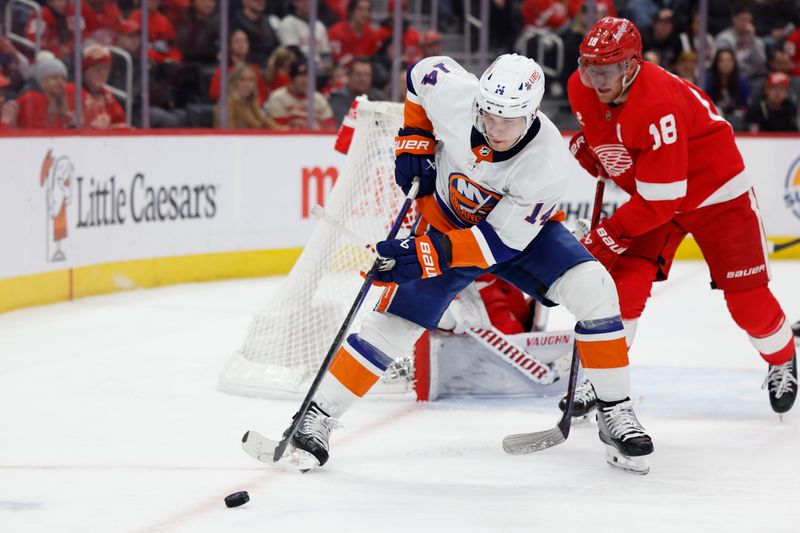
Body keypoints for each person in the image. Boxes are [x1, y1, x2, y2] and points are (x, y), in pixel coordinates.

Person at [284, 53, 654, 474]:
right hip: (444, 223)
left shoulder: (546, 164)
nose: (494, 128)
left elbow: (496, 243)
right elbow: (420, 74)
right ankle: (318, 416)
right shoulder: (457, 97)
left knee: (595, 288)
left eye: (508, 120)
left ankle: (615, 411)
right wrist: (415, 138)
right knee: (394, 323)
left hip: (518, 238)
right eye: (488, 114)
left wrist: (423, 255)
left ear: (532, 114)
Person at [565, 17, 796, 420]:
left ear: (632, 65)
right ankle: (604, 378)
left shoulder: (658, 102)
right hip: (655, 193)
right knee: (623, 289)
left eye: (609, 68)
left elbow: (662, 201)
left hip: (716, 195)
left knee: (748, 305)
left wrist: (608, 236)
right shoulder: (580, 88)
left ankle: (784, 358)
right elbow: (618, 147)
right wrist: (593, 147)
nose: (597, 79)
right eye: (590, 67)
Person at [66, 44, 128, 129]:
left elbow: (121, 124)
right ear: (85, 70)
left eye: (105, 68)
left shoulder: (108, 97)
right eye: (97, 67)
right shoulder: (71, 92)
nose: (102, 73)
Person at [263, 59, 335, 130]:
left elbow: (331, 127)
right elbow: (280, 128)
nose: (305, 81)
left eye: (308, 76)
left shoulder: (319, 98)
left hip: (317, 140)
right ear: (292, 79)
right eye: (300, 76)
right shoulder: (278, 97)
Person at [214, 63, 284, 129]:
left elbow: (264, 120)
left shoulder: (252, 101)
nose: (247, 84)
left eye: (251, 80)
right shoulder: (227, 103)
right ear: (234, 82)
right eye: (242, 80)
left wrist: (282, 130)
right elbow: (227, 132)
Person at [16, 52, 73, 129]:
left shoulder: (54, 100)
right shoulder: (32, 98)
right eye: (54, 78)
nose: (60, 82)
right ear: (42, 80)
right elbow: (33, 134)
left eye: (63, 79)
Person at [328, 57, 382, 125]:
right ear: (349, 76)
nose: (363, 79)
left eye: (367, 75)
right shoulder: (338, 98)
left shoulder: (378, 97)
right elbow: (344, 124)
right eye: (358, 74)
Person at [328, 0, 380, 68]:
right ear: (351, 11)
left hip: (363, 75)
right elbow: (333, 61)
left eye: (368, 10)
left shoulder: (371, 34)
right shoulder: (336, 32)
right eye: (360, 9)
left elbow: (373, 60)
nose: (365, 14)